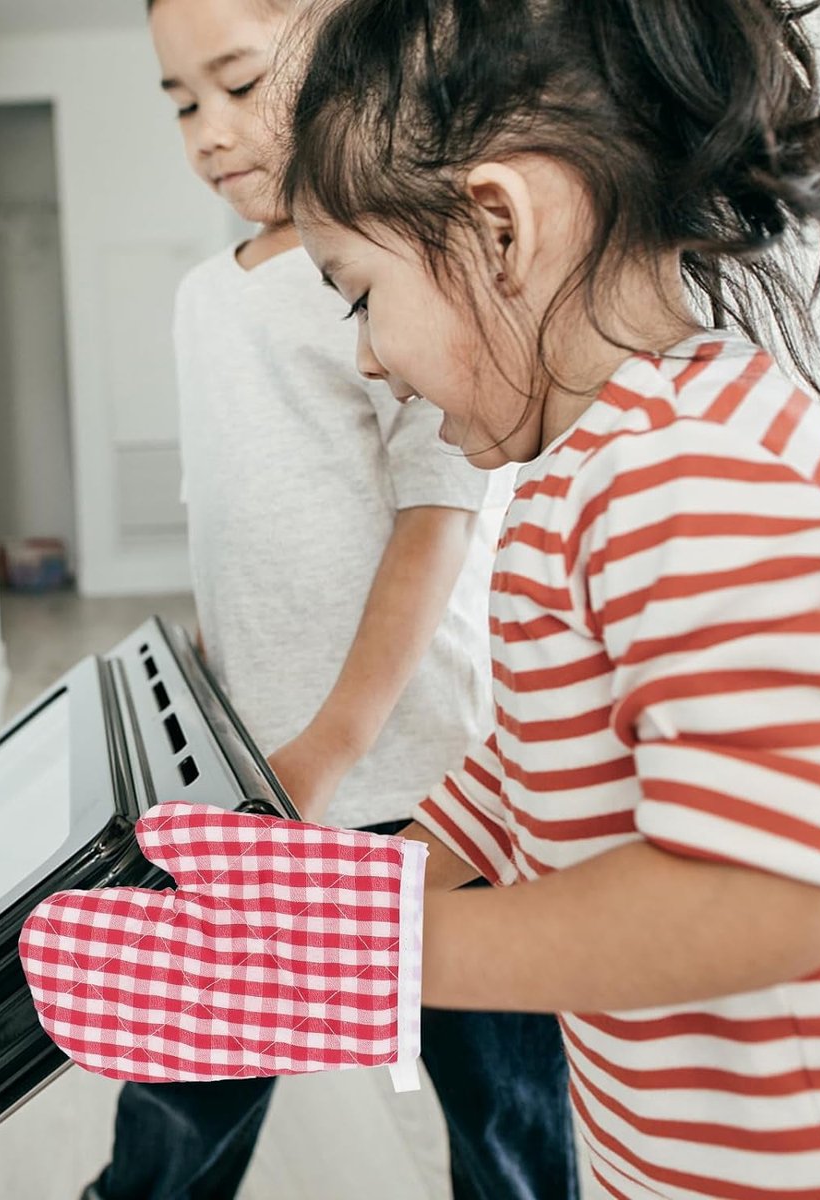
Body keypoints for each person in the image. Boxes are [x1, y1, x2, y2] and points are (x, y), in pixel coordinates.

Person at [281, 0, 820, 1196]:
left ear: (498, 229)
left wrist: (365, 949)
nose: (364, 354)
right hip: (682, 1144)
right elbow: (533, 770)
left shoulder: (692, 473)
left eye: (359, 293)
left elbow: (760, 894)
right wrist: (366, 882)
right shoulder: (596, 470)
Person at [78, 1, 579, 1198]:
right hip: (264, 774)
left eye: (240, 83)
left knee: (498, 1085)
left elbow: (435, 522)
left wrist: (336, 742)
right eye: (181, 101)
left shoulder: (397, 269)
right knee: (187, 1043)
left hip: (419, 776)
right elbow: (234, 529)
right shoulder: (206, 297)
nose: (209, 130)